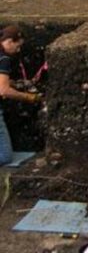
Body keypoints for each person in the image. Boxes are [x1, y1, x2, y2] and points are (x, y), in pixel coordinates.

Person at [0, 26, 41, 166]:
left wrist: (12, 82)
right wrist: (30, 97)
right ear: (10, 41)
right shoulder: (3, 58)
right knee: (5, 157)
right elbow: (4, 91)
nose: (18, 51)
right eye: (18, 46)